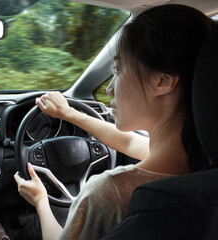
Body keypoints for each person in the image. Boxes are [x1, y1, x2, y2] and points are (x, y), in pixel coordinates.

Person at [12, 4, 215, 240]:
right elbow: (129, 143)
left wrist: (41, 201)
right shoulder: (204, 163)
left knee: (35, 228)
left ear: (163, 81)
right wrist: (68, 114)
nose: (108, 89)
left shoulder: (107, 193)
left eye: (117, 70)